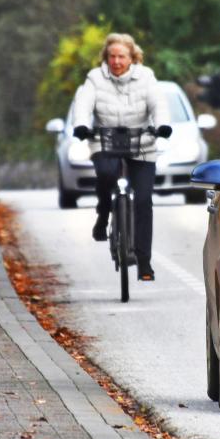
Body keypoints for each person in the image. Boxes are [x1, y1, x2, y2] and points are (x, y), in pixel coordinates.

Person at [71, 33, 171, 281]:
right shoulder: (95, 78)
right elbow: (83, 103)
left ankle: (144, 262)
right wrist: (82, 125)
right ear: (106, 58)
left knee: (143, 200)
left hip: (141, 141)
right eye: (112, 56)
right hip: (105, 140)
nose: (116, 61)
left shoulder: (146, 77)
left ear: (132, 57)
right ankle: (104, 214)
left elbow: (158, 103)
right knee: (106, 174)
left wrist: (162, 125)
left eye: (122, 56)